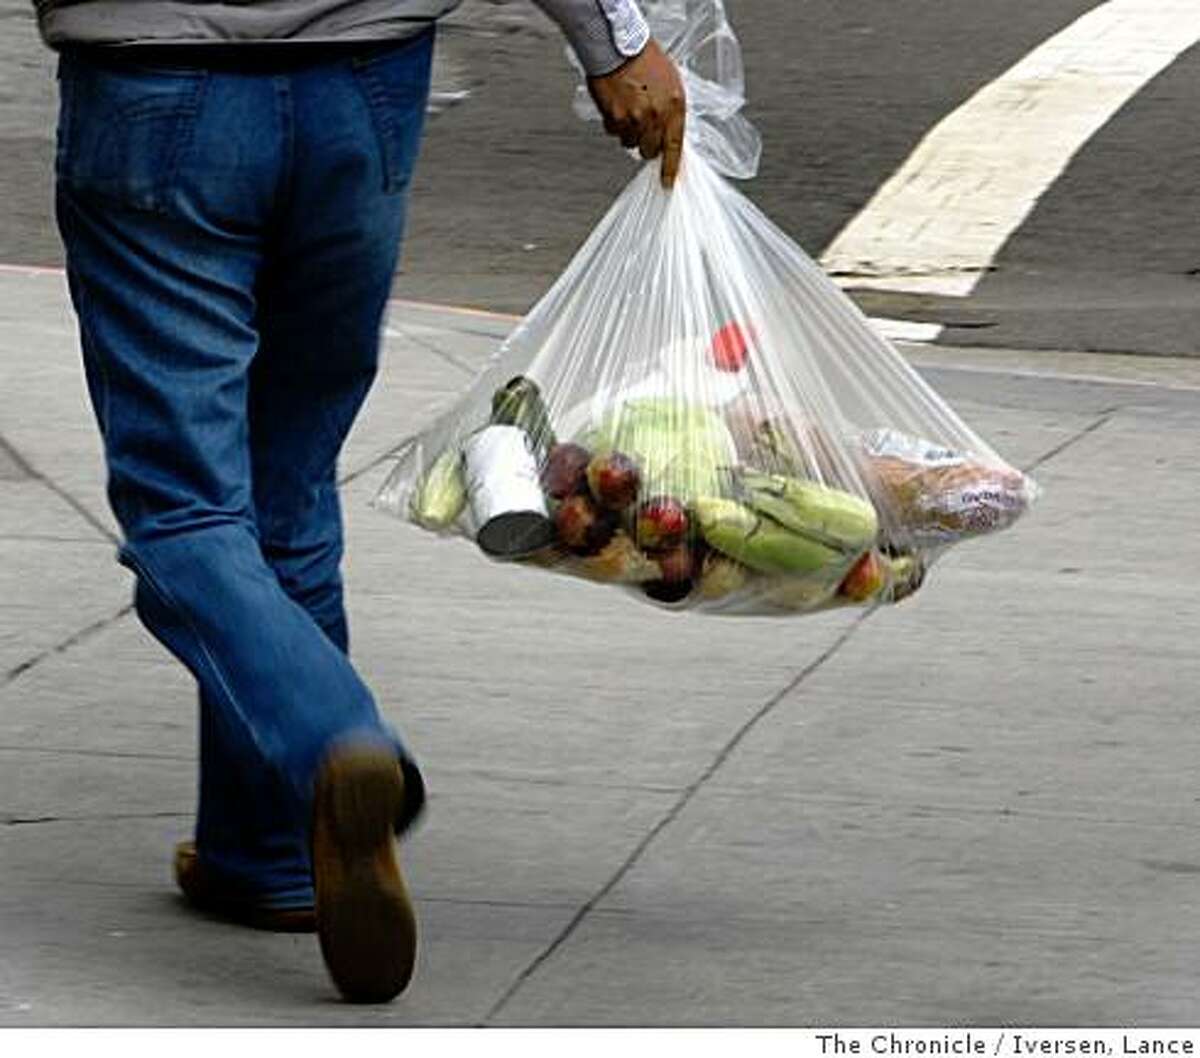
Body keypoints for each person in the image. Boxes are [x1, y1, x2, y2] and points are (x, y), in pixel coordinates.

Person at [35, 0, 685, 1004]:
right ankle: (269, 852)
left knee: (186, 510)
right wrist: (616, 41)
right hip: (363, 82)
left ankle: (337, 736)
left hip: (153, 81)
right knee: (286, 483)